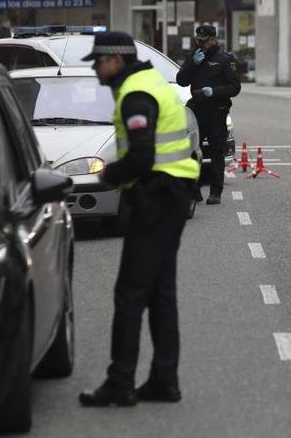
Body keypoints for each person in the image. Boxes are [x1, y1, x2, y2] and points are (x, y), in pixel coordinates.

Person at [78, 31, 200, 407]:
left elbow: (142, 157)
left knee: (130, 294)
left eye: (99, 61)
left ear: (116, 60)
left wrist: (107, 175)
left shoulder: (135, 94)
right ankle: (165, 380)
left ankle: (120, 383)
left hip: (155, 197)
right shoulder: (150, 82)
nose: (97, 69)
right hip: (173, 194)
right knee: (160, 293)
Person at [176, 24, 241, 205]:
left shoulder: (225, 59)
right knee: (190, 149)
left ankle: (215, 191)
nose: (201, 44)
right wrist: (191, 65)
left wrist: (214, 91)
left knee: (216, 150)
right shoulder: (194, 56)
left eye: (204, 41)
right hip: (196, 108)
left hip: (216, 109)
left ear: (213, 40)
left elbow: (234, 87)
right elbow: (181, 81)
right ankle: (193, 189)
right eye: (198, 40)